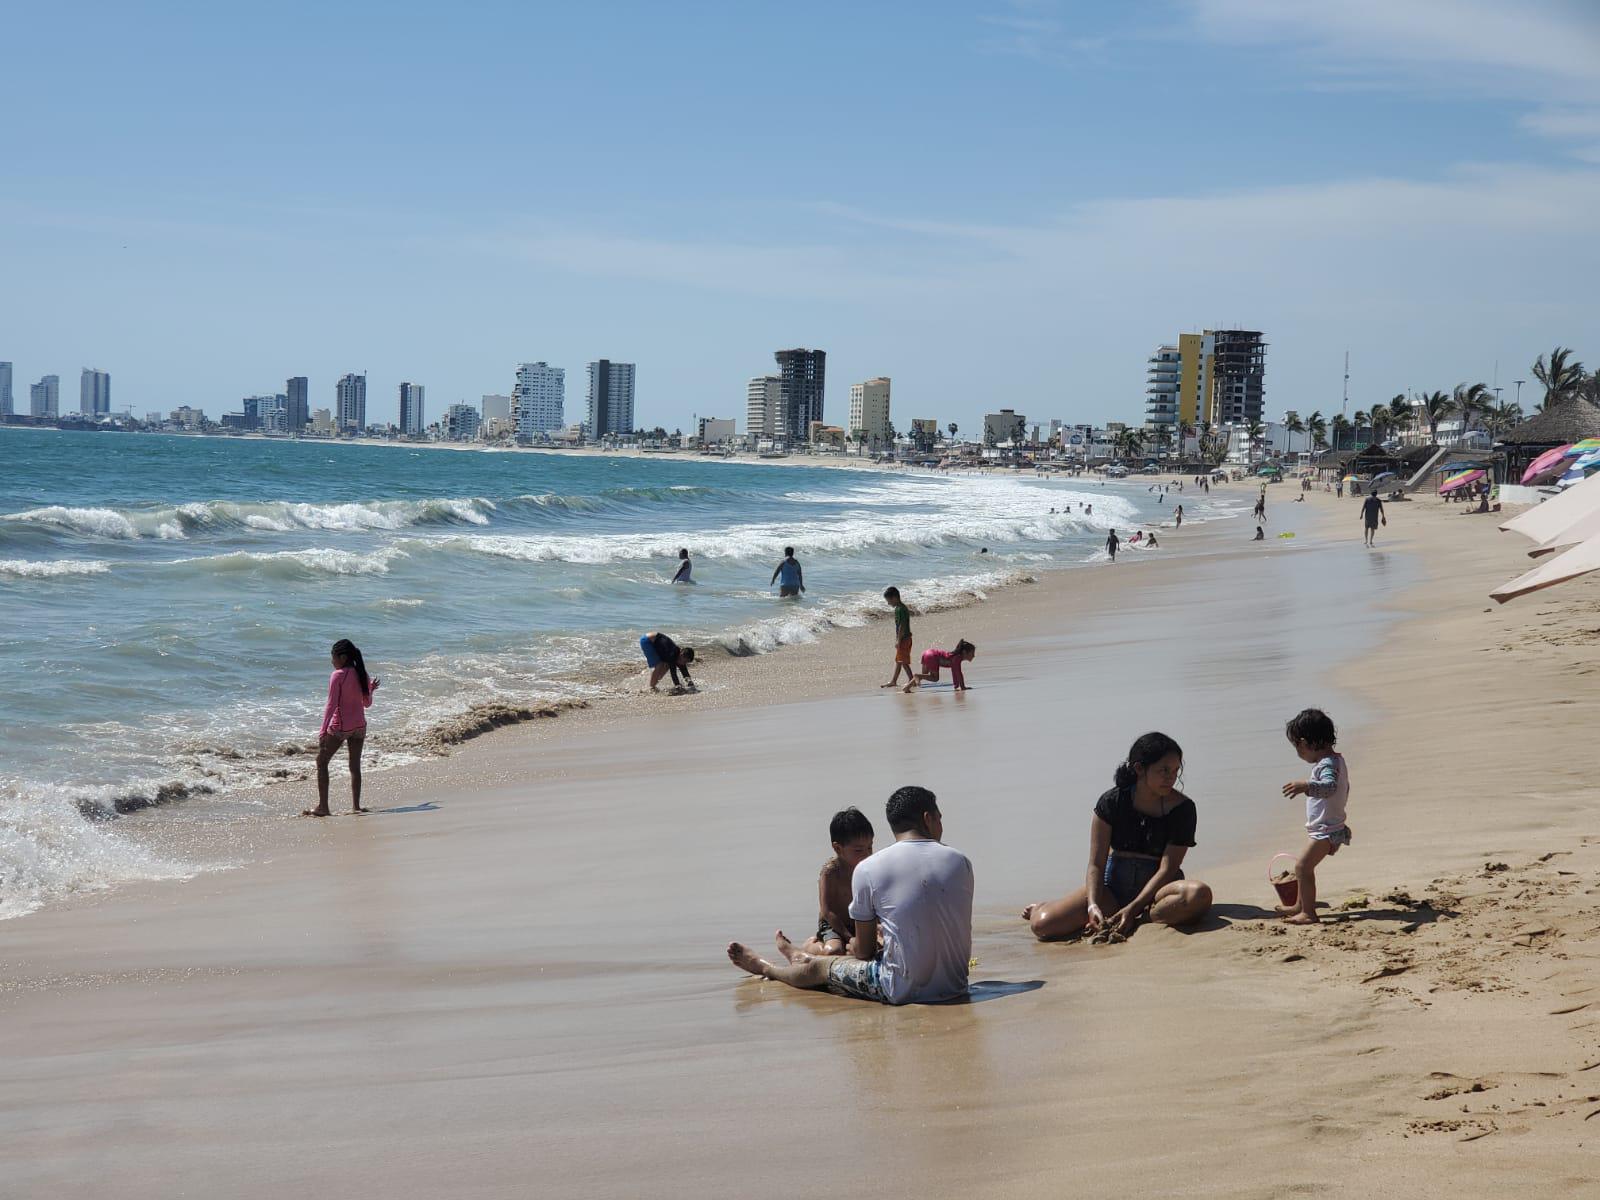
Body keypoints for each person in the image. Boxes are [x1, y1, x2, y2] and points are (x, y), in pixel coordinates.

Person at [726, 785, 974, 1005]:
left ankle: (766, 967)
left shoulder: (869, 868)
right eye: (940, 818)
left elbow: (864, 953)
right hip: (956, 985)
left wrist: (857, 943)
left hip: (901, 990)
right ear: (928, 818)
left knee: (818, 968)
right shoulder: (961, 861)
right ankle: (795, 954)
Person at [1021, 732, 1213, 940]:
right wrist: (1093, 905)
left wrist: (1135, 907)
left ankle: (1141, 917)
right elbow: (1096, 864)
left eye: (1176, 771)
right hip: (1113, 890)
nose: (1171, 778)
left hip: (1158, 892)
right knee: (1042, 925)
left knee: (1198, 895)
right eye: (1164, 770)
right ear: (1140, 769)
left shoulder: (1183, 809)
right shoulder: (1112, 802)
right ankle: (1043, 907)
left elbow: (1168, 869)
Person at [1278, 709, 1352, 925]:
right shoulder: (1336, 760)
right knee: (1303, 867)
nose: (1299, 754)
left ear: (1304, 743)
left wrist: (1306, 786)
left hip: (1327, 830)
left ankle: (1308, 913)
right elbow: (1343, 789)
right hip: (1331, 826)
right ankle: (1301, 905)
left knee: (1302, 867)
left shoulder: (1327, 764)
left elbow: (1329, 787)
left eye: (1297, 748)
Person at [304, 638, 379, 817]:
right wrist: (371, 689)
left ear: (343, 657)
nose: (332, 661)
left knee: (321, 762)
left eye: (334, 657)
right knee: (355, 766)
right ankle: (356, 807)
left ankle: (323, 807)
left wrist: (323, 731)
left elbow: (331, 705)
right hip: (360, 726)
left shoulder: (338, 675)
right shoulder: (362, 674)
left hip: (341, 727)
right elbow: (367, 703)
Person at [800, 807, 876, 955]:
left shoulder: (869, 868)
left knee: (882, 945)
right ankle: (811, 946)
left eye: (870, 847)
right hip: (833, 925)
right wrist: (848, 937)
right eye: (859, 850)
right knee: (834, 950)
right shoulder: (830, 872)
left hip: (859, 922)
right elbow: (827, 911)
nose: (867, 854)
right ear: (838, 848)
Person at [905, 639, 975, 693]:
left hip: (927, 653)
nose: (973, 656)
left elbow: (955, 672)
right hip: (932, 656)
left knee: (924, 675)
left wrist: (956, 686)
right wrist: (962, 687)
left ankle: (907, 688)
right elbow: (958, 673)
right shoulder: (957, 658)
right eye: (972, 653)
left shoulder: (955, 657)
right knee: (935, 678)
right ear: (964, 652)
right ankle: (917, 676)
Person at [881, 586, 915, 689]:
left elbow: (902, 626)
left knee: (903, 661)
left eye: (889, 601)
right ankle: (894, 681)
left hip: (904, 639)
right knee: (899, 660)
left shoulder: (900, 609)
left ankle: (912, 680)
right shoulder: (902, 608)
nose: (888, 603)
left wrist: (898, 640)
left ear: (894, 598)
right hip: (905, 638)